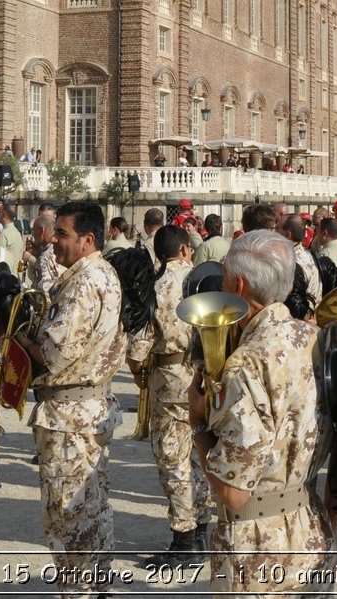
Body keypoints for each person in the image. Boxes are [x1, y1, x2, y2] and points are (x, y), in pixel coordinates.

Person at [188, 230, 330, 594]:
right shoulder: (316, 339)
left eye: (222, 280)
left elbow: (233, 492)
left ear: (237, 285)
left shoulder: (247, 364)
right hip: (310, 529)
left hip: (256, 548)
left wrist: (199, 423)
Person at [16, 200, 125, 597]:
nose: (54, 241)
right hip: (88, 409)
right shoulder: (103, 273)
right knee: (92, 509)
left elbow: (53, 353)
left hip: (69, 416)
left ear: (87, 239)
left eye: (62, 234)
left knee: (67, 517)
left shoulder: (81, 283)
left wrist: (17, 338)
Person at [130, 223, 211, 566]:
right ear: (183, 250)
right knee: (201, 452)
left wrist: (141, 377)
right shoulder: (207, 283)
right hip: (205, 379)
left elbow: (136, 351)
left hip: (169, 381)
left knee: (172, 459)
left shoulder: (157, 289)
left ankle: (184, 538)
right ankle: (203, 528)